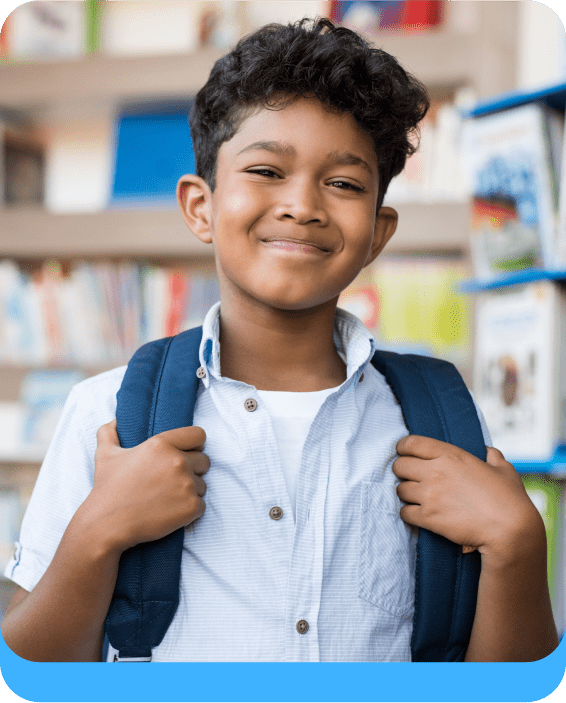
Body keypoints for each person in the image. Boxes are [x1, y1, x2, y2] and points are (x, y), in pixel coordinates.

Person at [1, 18, 558, 662]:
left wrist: (518, 544)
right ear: (199, 207)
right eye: (266, 170)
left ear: (378, 232)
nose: (303, 205)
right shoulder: (109, 418)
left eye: (344, 183)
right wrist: (95, 534)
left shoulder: (438, 424)